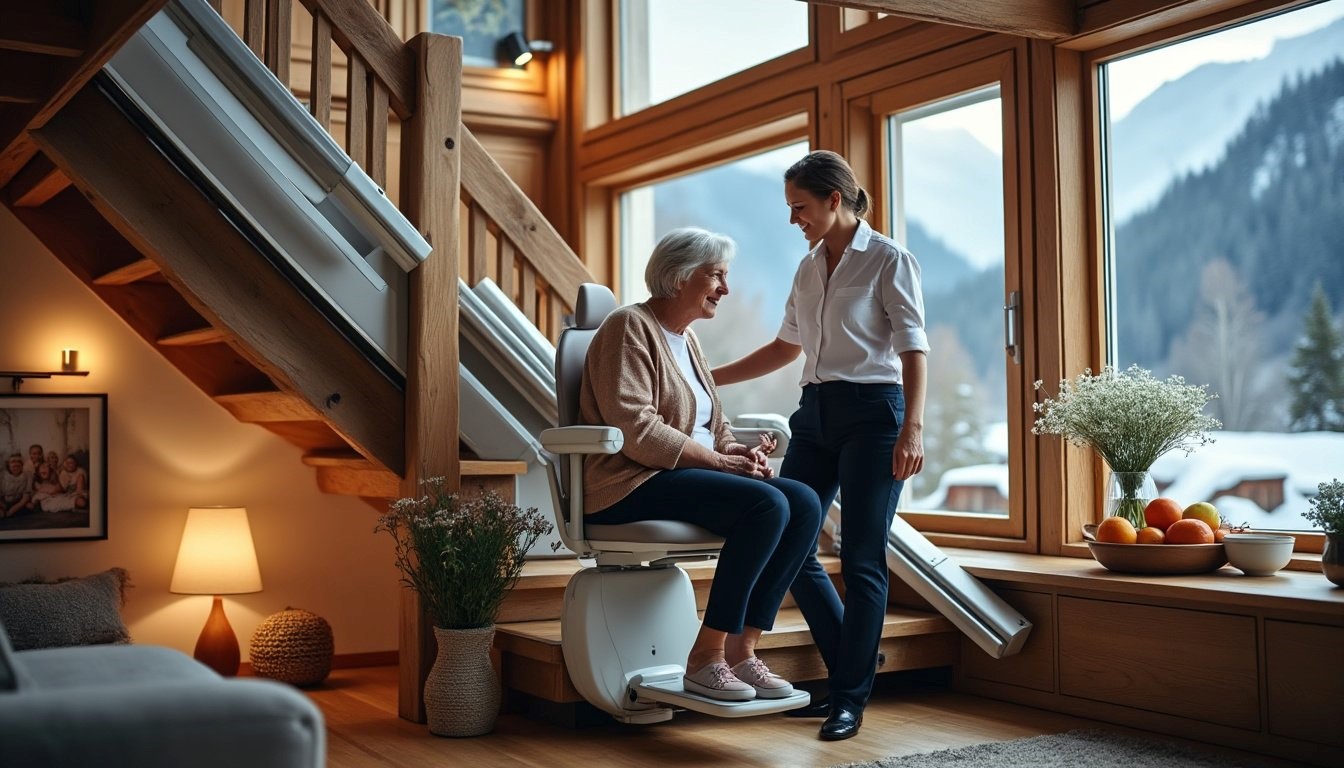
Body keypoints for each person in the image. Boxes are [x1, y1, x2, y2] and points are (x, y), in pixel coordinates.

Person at [711, 150, 929, 740]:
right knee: (792, 537)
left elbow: (913, 347)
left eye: (800, 207)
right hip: (814, 413)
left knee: (861, 555)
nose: (793, 220)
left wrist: (913, 428)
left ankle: (848, 699)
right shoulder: (808, 268)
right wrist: (711, 376)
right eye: (789, 208)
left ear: (835, 200)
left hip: (875, 415)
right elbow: (786, 348)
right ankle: (852, 670)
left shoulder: (888, 260)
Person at [579, 227, 824, 702]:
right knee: (767, 507)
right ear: (678, 277)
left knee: (805, 502)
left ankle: (741, 651)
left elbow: (714, 424)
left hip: (682, 474)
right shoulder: (628, 327)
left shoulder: (687, 340)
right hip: (631, 480)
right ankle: (705, 658)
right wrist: (717, 461)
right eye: (716, 277)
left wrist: (737, 453)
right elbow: (635, 427)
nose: (725, 290)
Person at [2, 454, 32, 518]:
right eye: (13, 462)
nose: (16, 464)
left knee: (30, 506)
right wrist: (3, 506)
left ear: (22, 465)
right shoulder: (2, 475)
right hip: (4, 503)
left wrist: (12, 510)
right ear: (8, 465)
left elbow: (26, 497)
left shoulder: (28, 475)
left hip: (19, 502)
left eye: (19, 462)